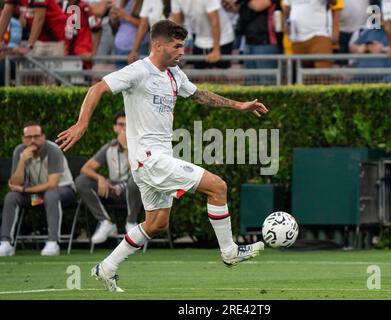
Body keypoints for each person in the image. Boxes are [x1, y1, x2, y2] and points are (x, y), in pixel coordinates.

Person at [56, 19, 267, 292]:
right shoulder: (138, 71)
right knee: (218, 187)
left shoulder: (174, 74)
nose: (182, 51)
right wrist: (82, 123)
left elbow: (200, 95)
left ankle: (106, 267)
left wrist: (240, 106)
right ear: (158, 46)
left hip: (154, 160)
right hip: (149, 159)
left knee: (156, 224)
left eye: (184, 46)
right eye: (177, 46)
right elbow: (97, 88)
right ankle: (229, 251)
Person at [0, 122, 76, 257]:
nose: (32, 140)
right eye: (28, 137)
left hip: (63, 190)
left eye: (36, 136)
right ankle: (6, 243)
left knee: (50, 195)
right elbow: (14, 184)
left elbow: (52, 184)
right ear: (23, 139)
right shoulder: (19, 151)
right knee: (11, 197)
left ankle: (53, 242)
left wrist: (24, 190)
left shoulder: (53, 150)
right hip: (34, 193)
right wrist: (22, 161)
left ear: (43, 136)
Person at [75, 110, 142, 244]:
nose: (124, 128)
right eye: (121, 125)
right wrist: (100, 178)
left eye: (127, 125)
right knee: (81, 180)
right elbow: (86, 168)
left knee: (135, 180)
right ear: (115, 128)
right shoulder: (110, 147)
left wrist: (126, 148)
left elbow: (138, 171)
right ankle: (105, 222)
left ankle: (131, 222)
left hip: (133, 190)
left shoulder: (140, 144)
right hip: (112, 188)